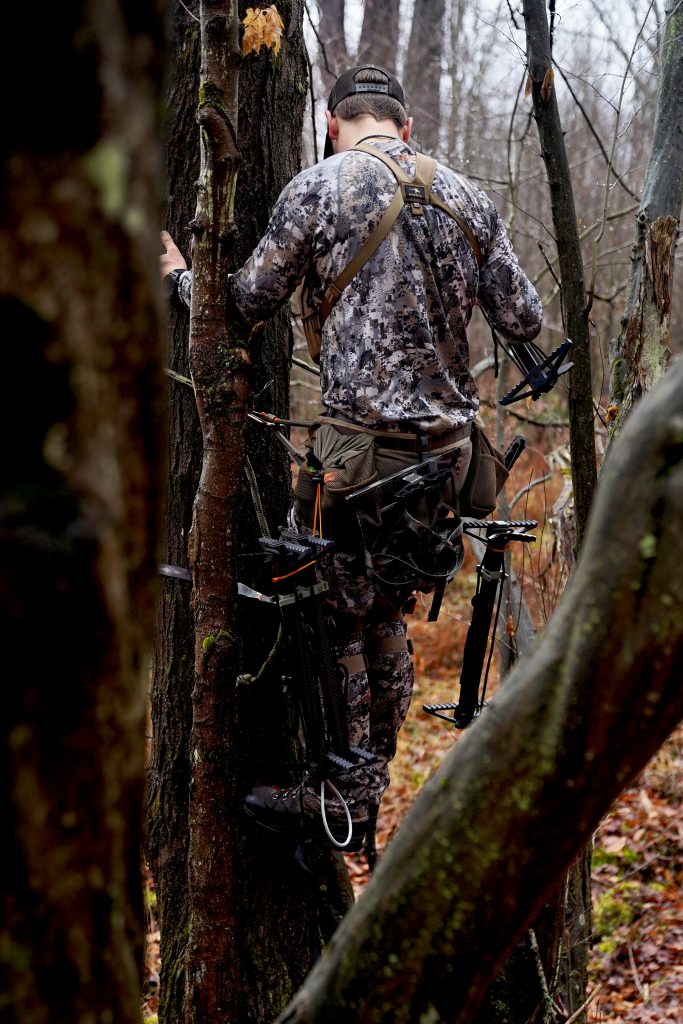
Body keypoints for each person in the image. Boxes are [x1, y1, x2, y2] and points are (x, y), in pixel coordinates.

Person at [160, 64, 542, 854]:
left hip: (356, 459)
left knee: (334, 621)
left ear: (333, 124)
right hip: (448, 459)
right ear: (405, 127)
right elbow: (525, 314)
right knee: (388, 616)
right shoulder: (467, 196)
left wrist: (176, 277)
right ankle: (364, 789)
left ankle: (339, 795)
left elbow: (241, 304)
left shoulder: (317, 188)